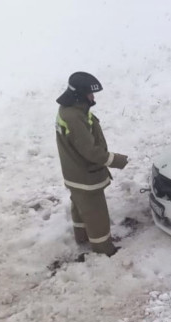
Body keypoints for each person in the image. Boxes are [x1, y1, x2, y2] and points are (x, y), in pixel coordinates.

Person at [55, 72, 128, 256]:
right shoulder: (74, 117)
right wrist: (116, 160)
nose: (93, 97)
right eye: (90, 94)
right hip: (86, 177)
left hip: (75, 175)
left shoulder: (71, 110)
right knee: (96, 214)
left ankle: (82, 236)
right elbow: (90, 151)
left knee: (81, 208)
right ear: (79, 94)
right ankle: (104, 249)